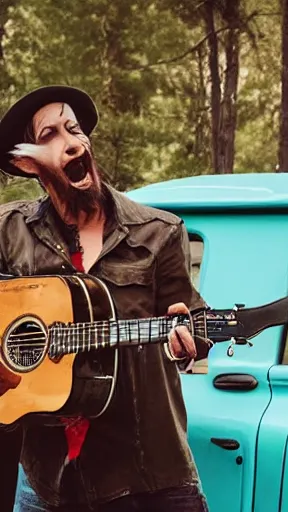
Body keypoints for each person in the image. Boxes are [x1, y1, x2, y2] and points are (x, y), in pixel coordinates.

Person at [0, 85, 210, 512]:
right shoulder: (9, 231)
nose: (72, 142)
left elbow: (196, 324)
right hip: (48, 483)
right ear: (26, 163)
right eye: (49, 136)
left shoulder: (160, 232)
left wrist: (190, 339)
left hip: (148, 475)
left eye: (74, 129)